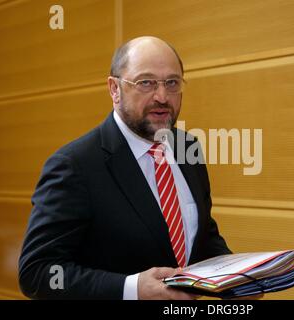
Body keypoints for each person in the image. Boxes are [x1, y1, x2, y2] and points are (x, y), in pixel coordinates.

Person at [18, 36, 232, 300]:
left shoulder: (189, 147)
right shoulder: (74, 166)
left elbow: (204, 236)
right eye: (146, 82)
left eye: (172, 83)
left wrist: (241, 278)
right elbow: (37, 273)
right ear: (114, 88)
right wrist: (131, 289)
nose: (162, 96)